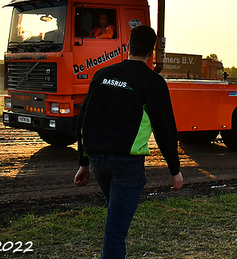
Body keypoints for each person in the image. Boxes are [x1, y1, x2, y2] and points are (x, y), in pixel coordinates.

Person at [74, 24, 183, 259]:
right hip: (126, 165)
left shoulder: (102, 76)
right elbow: (165, 129)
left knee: (116, 221)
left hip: (97, 162)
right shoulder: (152, 82)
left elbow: (83, 119)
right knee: (115, 229)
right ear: (151, 52)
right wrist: (175, 170)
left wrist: (84, 162)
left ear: (128, 46)